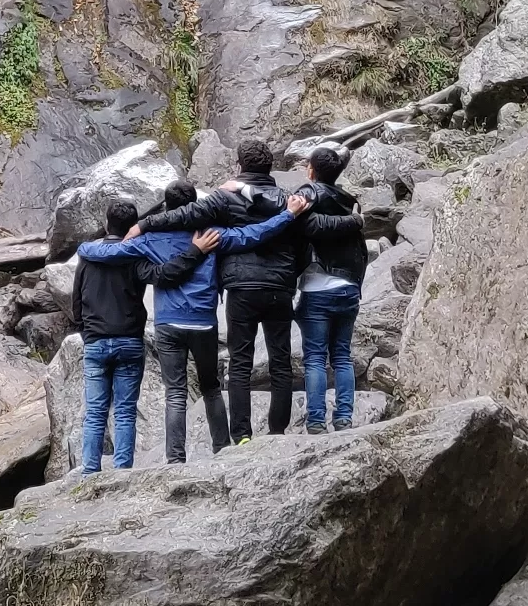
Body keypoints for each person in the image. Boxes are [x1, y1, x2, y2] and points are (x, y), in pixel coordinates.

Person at [131, 139, 358, 444]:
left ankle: (242, 435)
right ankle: (277, 432)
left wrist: (145, 225)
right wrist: (354, 221)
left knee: (240, 362)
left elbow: (185, 215)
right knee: (280, 361)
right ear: (270, 169)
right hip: (279, 286)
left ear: (239, 166)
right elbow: (313, 233)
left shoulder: (224, 198)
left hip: (241, 288)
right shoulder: (286, 199)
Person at [78, 182, 311, 464]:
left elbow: (110, 253)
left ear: (166, 208)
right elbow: (254, 235)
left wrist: (84, 248)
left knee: (175, 392)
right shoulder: (212, 234)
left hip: (168, 325)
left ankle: (176, 458)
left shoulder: (151, 240)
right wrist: (287, 214)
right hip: (203, 323)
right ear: (195, 206)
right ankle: (222, 447)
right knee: (211, 388)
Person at [287, 145, 367, 434]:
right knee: (342, 356)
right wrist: (354, 220)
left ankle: (317, 420)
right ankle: (344, 417)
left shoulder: (309, 192)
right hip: (348, 288)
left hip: (317, 288)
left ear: (311, 170)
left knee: (316, 358)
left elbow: (310, 225)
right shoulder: (350, 200)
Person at [70, 201, 149, 475]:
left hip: (96, 340)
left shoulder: (88, 257)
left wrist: (85, 330)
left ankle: (90, 470)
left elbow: (76, 299)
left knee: (95, 413)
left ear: (106, 224)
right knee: (125, 412)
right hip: (129, 339)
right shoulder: (136, 256)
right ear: (133, 227)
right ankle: (122, 472)